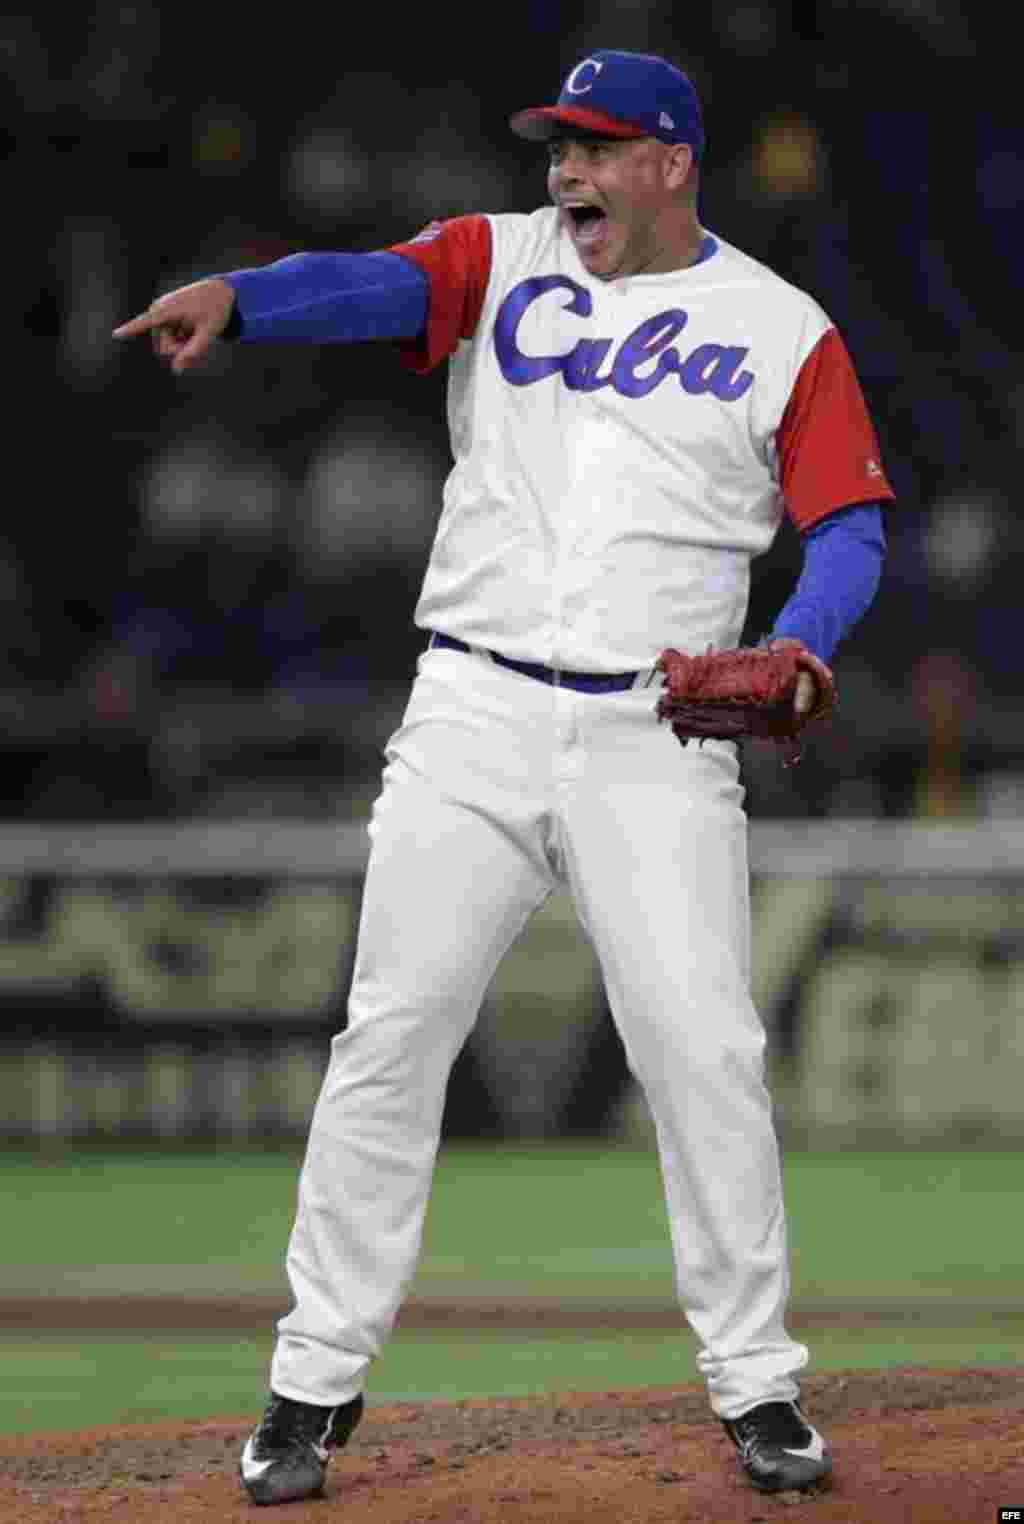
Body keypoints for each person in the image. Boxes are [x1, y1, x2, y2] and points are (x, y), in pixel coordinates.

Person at [114, 50, 891, 1503]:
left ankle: (757, 1383)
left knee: (707, 1055)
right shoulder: (501, 258)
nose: (566, 174)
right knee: (389, 1040)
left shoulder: (781, 329)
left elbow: (848, 523)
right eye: (557, 151)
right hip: (470, 705)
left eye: (596, 150)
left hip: (656, 736)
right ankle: (310, 1384)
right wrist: (248, 300)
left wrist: (801, 639)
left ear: (671, 160)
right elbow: (370, 284)